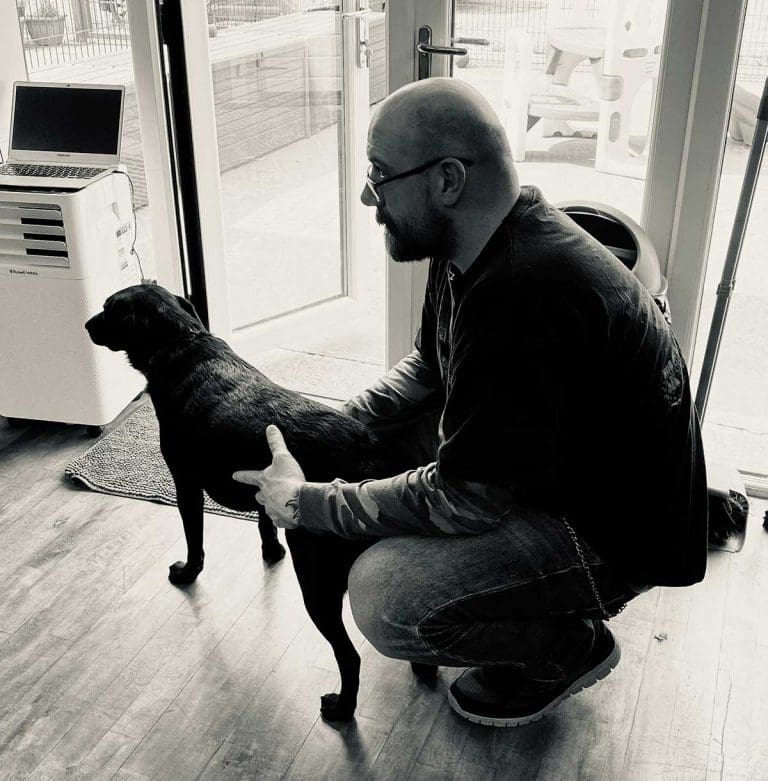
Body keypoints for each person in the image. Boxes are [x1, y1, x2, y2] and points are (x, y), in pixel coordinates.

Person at [233, 77, 708, 727]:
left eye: (379, 173)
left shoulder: (522, 292)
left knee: (383, 598)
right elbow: (432, 364)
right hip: (570, 470)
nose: (367, 196)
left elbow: (462, 497)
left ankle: (566, 644)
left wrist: (309, 503)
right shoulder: (475, 239)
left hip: (616, 534)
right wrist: (342, 424)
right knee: (381, 452)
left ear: (447, 180)